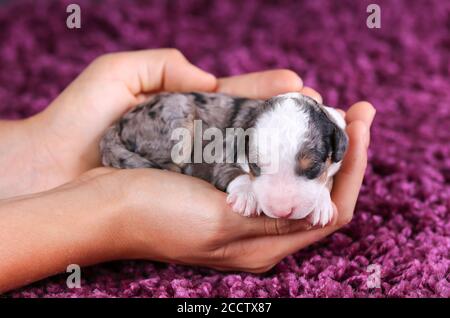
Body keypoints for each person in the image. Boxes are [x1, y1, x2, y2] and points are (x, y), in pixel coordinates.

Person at [0, 49, 375, 293]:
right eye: (260, 168)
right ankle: (168, 165)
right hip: (163, 120)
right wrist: (115, 209)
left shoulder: (333, 134)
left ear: (333, 147)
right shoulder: (243, 135)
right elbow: (232, 166)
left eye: (308, 172)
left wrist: (322, 190)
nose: (281, 203)